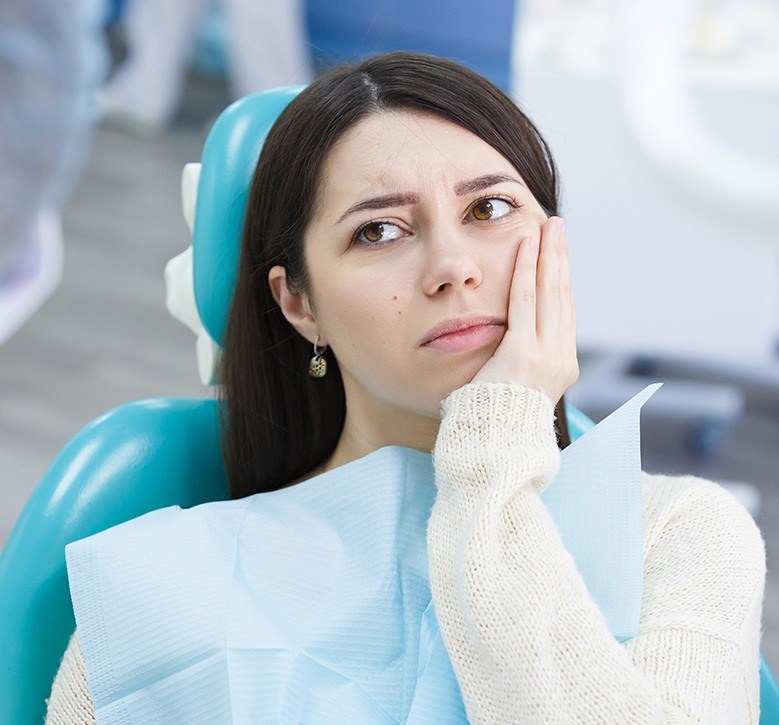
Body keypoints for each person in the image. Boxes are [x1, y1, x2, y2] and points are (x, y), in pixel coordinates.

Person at [45, 51, 766, 723]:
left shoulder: (680, 535)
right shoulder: (159, 591)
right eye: (379, 232)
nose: (452, 267)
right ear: (299, 303)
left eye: (487, 209)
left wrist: (492, 442)